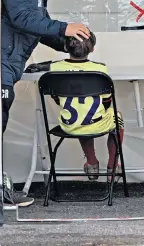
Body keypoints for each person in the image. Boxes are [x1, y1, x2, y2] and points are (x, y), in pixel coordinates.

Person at [1, 0, 91, 206]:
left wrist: (68, 43)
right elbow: (19, 16)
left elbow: (37, 24)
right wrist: (64, 28)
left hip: (10, 61)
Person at [50, 32, 125, 182]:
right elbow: (106, 102)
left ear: (66, 47)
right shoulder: (100, 70)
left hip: (69, 125)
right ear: (92, 49)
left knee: (81, 118)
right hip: (96, 123)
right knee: (117, 117)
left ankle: (91, 163)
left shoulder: (55, 68)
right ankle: (112, 166)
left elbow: (57, 98)